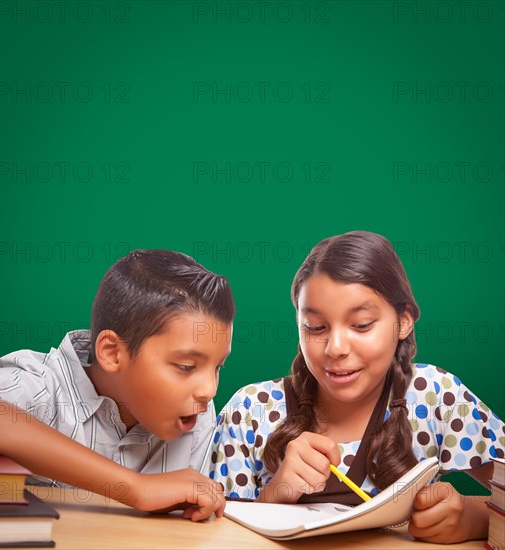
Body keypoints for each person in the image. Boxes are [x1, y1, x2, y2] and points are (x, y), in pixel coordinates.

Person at [209, 230, 504, 543]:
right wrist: (275, 495)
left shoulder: (435, 396)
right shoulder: (250, 411)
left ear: (403, 322)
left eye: (361, 325)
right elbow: (210, 538)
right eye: (316, 327)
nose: (335, 348)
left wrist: (478, 518)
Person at [0, 250, 234, 521]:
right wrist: (136, 488)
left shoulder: (196, 415)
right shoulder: (43, 385)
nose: (209, 389)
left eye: (217, 367)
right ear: (112, 353)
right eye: (186, 366)